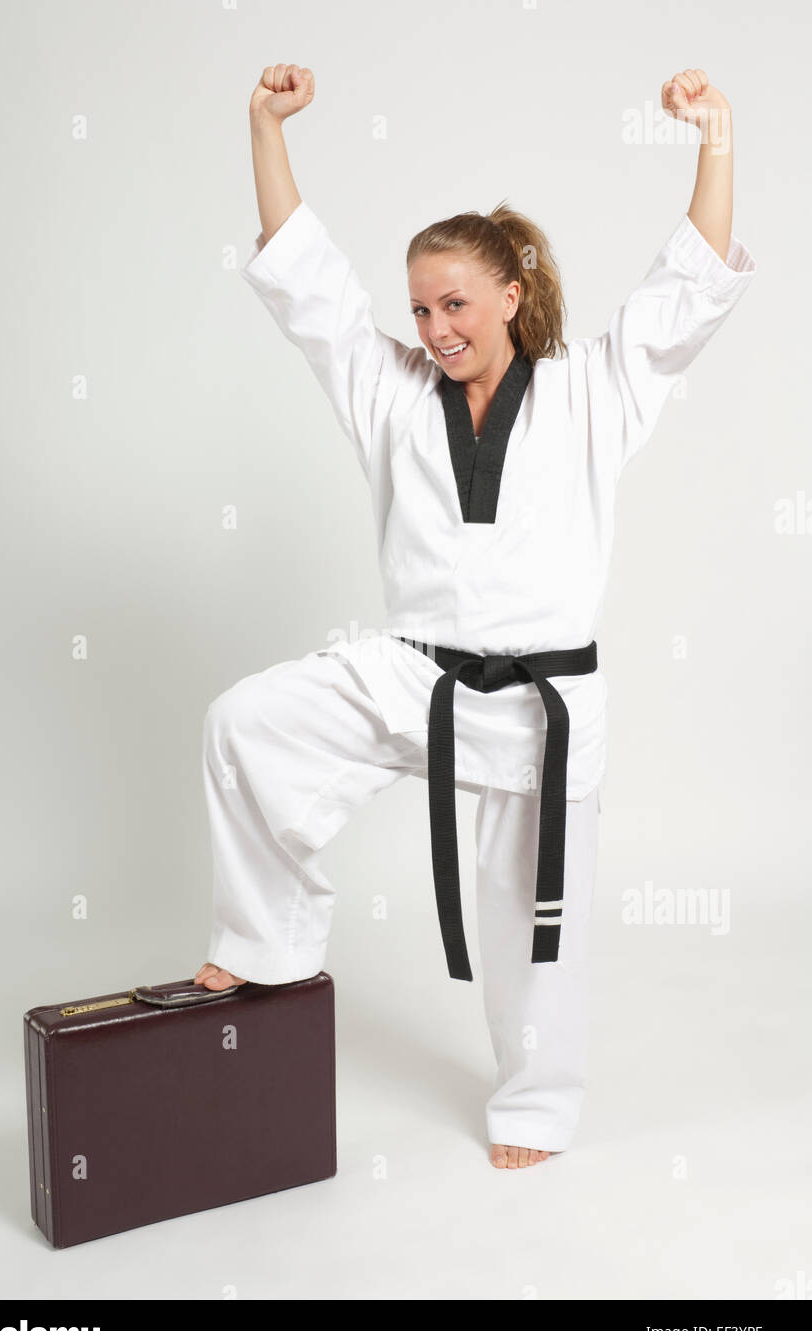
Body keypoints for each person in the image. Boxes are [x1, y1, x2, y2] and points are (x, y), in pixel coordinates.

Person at [194, 63, 756, 1170]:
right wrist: (264, 127)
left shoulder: (594, 387)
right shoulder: (387, 388)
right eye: (418, 306)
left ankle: (535, 1106)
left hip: (541, 708)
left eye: (453, 303)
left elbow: (682, 287)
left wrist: (715, 137)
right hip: (416, 677)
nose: (433, 326)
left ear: (510, 295)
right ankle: (269, 938)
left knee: (531, 939)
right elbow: (307, 284)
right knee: (246, 722)